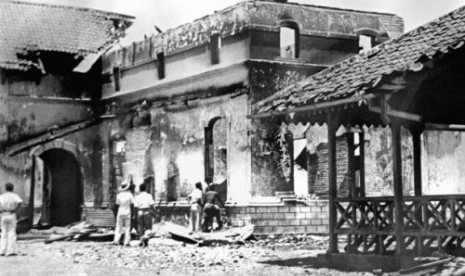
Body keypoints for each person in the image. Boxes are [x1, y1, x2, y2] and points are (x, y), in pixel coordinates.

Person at [0, 183, 23, 256]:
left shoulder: (2, 196)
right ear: (12, 188)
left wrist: (1, 210)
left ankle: (2, 251)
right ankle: (10, 251)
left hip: (3, 214)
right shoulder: (14, 196)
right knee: (11, 232)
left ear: (5, 188)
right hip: (11, 214)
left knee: (3, 233)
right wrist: (15, 209)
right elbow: (20, 202)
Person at [113, 181, 134, 246]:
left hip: (120, 211)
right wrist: (133, 213)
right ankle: (126, 241)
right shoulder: (130, 195)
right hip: (127, 211)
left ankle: (116, 240)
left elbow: (117, 204)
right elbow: (132, 204)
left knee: (119, 226)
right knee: (127, 227)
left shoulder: (119, 195)